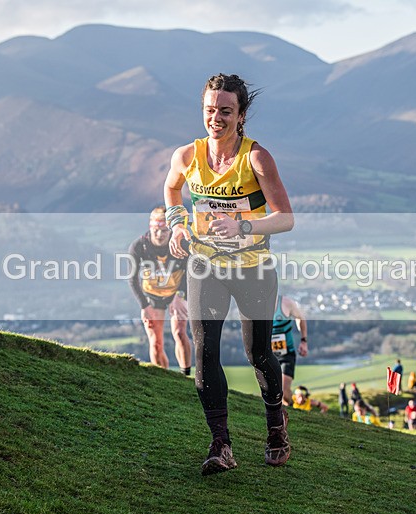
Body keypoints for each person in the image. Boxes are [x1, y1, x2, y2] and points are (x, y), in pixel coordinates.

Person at [164, 73, 294, 475]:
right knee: (204, 351)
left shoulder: (256, 158)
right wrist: (177, 224)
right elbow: (171, 190)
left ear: (241, 115)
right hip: (205, 265)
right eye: (209, 110)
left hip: (253, 268)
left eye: (225, 111)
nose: (215, 118)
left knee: (258, 353)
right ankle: (221, 444)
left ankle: (276, 429)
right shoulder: (187, 156)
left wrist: (245, 227)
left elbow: (285, 218)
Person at [127, 207, 192, 373]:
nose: (159, 235)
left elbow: (191, 272)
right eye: (156, 230)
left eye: (164, 230)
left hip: (176, 293)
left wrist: (181, 296)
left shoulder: (182, 243)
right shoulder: (139, 246)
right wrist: (144, 306)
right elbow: (132, 279)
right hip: (151, 297)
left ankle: (185, 376)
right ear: (150, 228)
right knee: (155, 342)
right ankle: (163, 380)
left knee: (179, 333)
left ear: (170, 229)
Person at [271, 293, 309, 406]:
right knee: (271, 390)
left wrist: (303, 341)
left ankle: (290, 406)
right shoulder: (257, 304)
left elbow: (301, 317)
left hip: (286, 354)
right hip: (268, 354)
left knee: (284, 391)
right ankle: (278, 415)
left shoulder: (286, 303)